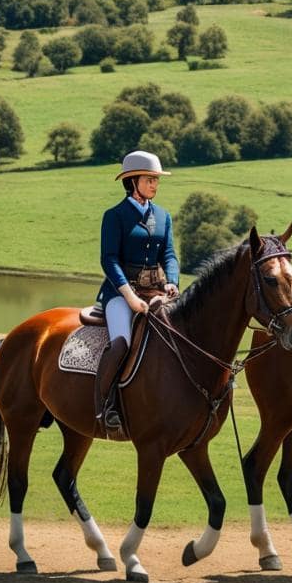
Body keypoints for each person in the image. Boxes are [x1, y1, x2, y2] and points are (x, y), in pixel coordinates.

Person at [94, 150, 180, 437]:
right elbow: (109, 260)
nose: (155, 184)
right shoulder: (114, 216)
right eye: (150, 179)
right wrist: (129, 296)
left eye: (156, 180)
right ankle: (106, 407)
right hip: (120, 294)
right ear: (133, 182)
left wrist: (172, 282)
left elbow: (169, 254)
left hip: (156, 290)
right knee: (121, 343)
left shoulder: (163, 216)